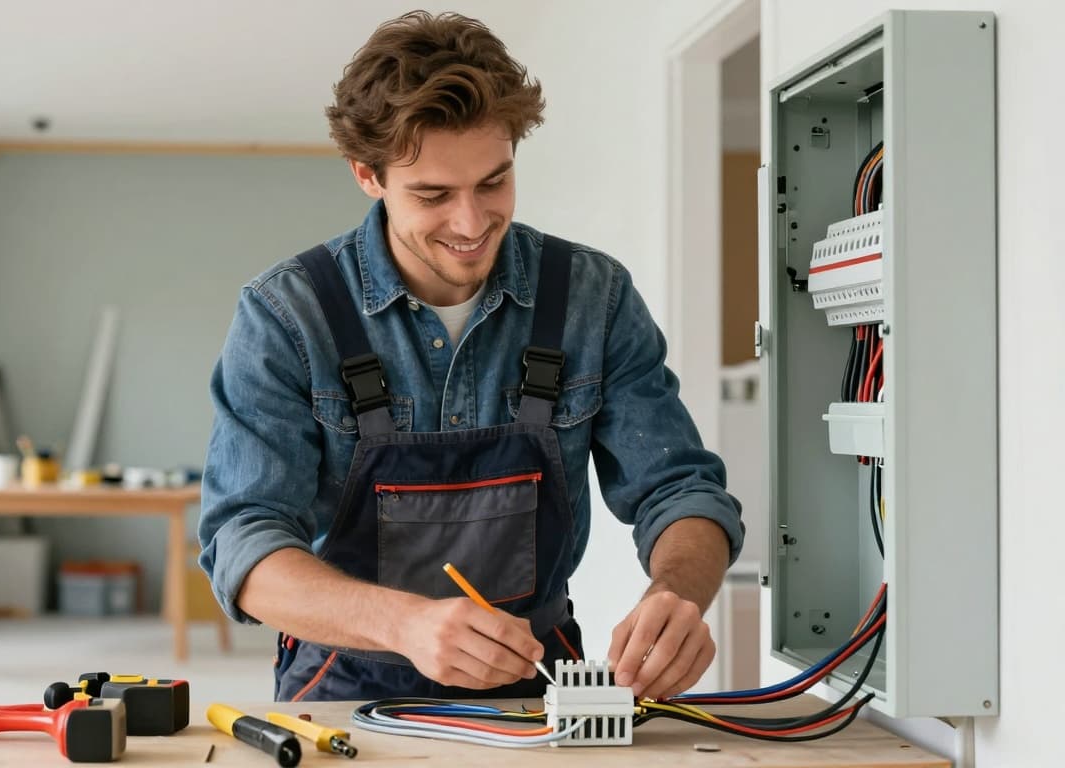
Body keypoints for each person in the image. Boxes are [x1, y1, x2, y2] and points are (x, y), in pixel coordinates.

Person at [199, 10, 743, 703]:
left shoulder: (592, 298)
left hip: (540, 681)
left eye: (493, 182)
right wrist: (406, 624)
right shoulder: (287, 315)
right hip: (345, 688)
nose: (471, 222)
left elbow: (681, 490)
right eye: (433, 195)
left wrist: (680, 595)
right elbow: (242, 546)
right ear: (367, 175)